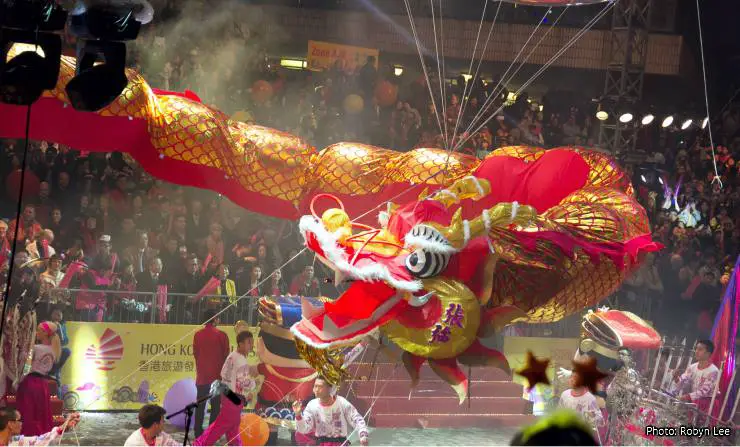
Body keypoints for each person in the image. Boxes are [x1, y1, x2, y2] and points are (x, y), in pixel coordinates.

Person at [194, 331, 257, 446]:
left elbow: (223, 373)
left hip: (227, 395)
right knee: (220, 426)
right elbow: (244, 382)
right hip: (234, 398)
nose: (251, 346)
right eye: (249, 343)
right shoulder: (241, 360)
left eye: (252, 343)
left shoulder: (232, 355)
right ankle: (198, 444)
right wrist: (254, 383)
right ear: (241, 344)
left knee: (232, 429)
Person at [292, 377, 369, 446]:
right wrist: (298, 415)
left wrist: (363, 435)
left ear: (330, 388)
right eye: (315, 386)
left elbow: (357, 419)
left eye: (320, 386)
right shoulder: (312, 405)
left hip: (340, 444)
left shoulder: (341, 402)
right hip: (321, 444)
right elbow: (304, 429)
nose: (316, 390)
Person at [15, 322, 61, 436]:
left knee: (28, 412)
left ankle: (28, 436)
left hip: (30, 383)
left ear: (45, 333)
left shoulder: (35, 348)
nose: (36, 333)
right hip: (42, 385)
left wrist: (19, 381)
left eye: (39, 330)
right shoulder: (54, 350)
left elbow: (26, 367)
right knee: (41, 413)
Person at [192, 310, 230, 438]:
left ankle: (198, 432)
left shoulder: (197, 335)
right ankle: (211, 433)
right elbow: (226, 356)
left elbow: (196, 354)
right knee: (215, 407)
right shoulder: (222, 335)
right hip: (217, 377)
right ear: (215, 319)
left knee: (200, 406)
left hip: (202, 376)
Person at [669, 339, 720, 412]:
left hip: (707, 405)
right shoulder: (692, 367)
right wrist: (676, 377)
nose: (696, 351)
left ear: (708, 353)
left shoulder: (713, 371)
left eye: (700, 349)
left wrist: (685, 397)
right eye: (696, 349)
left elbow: (703, 391)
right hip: (694, 402)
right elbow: (683, 382)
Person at [0, 408, 80, 446]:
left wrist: (65, 425)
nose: (21, 423)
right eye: (19, 420)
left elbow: (41, 439)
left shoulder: (15, 441)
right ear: (10, 424)